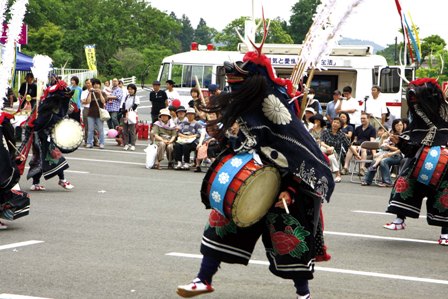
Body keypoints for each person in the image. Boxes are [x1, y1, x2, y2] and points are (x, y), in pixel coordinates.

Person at [176, 35, 334, 298]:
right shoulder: (249, 106)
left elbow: (297, 157)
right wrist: (220, 139)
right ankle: (203, 278)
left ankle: (303, 294)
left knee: (290, 244)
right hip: (252, 180)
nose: (233, 90)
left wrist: (290, 190)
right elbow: (245, 144)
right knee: (219, 227)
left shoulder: (277, 113)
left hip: (285, 188)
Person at [382, 78, 448, 245]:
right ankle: (399, 219)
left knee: (445, 197)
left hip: (445, 166)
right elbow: (410, 149)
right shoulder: (416, 124)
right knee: (405, 183)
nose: (415, 105)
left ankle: (446, 233)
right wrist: (400, 142)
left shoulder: (445, 118)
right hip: (417, 162)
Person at [18, 79, 77, 191]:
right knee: (53, 157)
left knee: (41, 160)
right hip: (41, 137)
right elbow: (37, 124)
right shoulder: (47, 110)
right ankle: (62, 180)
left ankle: (36, 183)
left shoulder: (54, 107)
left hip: (45, 136)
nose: (68, 98)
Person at [362, 120, 404, 187]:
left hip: (398, 156)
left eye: (401, 125)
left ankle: (387, 182)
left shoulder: (404, 136)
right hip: (387, 154)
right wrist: (383, 138)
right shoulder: (391, 134)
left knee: (383, 161)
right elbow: (380, 147)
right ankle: (367, 180)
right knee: (375, 160)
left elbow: (401, 149)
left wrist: (390, 150)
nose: (399, 127)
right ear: (394, 126)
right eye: (397, 125)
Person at [320, 117, 351, 183]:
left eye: (337, 123)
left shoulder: (341, 134)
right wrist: (329, 147)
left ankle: (337, 175)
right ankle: (338, 174)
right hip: (325, 151)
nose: (335, 124)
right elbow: (322, 142)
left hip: (335, 153)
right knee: (324, 149)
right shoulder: (325, 131)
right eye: (334, 122)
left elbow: (349, 145)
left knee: (331, 156)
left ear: (340, 125)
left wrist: (357, 155)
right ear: (332, 123)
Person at [86, 78, 107, 149]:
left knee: (100, 129)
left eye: (97, 84)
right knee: (90, 129)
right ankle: (89, 143)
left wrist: (100, 93)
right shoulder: (91, 93)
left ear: (100, 85)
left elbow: (104, 101)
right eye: (94, 84)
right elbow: (88, 102)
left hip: (99, 114)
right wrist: (90, 93)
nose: (96, 86)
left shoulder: (103, 93)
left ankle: (102, 143)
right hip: (91, 114)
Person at [121, 84, 140, 151]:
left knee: (132, 130)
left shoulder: (136, 97)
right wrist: (123, 111)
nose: (130, 90)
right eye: (129, 89)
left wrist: (127, 110)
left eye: (132, 89)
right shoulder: (126, 97)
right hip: (125, 115)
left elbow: (135, 106)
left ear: (134, 90)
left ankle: (132, 144)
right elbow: (123, 104)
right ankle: (126, 144)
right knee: (125, 130)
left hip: (132, 115)